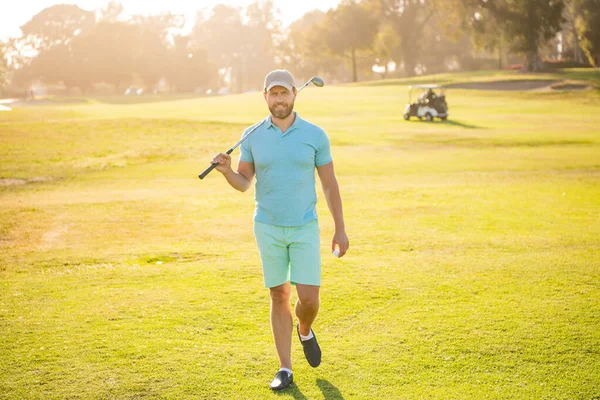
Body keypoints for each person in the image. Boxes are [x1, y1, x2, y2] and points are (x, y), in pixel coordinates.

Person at [210, 69, 349, 391]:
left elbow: (329, 184)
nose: (279, 99)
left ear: (294, 95)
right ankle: (285, 368)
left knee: (309, 299)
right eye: (273, 94)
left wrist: (340, 228)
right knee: (279, 293)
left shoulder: (315, 135)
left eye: (284, 93)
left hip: (304, 226)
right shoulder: (252, 135)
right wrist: (227, 172)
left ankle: (304, 329)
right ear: (265, 97)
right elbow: (244, 184)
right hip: (268, 225)